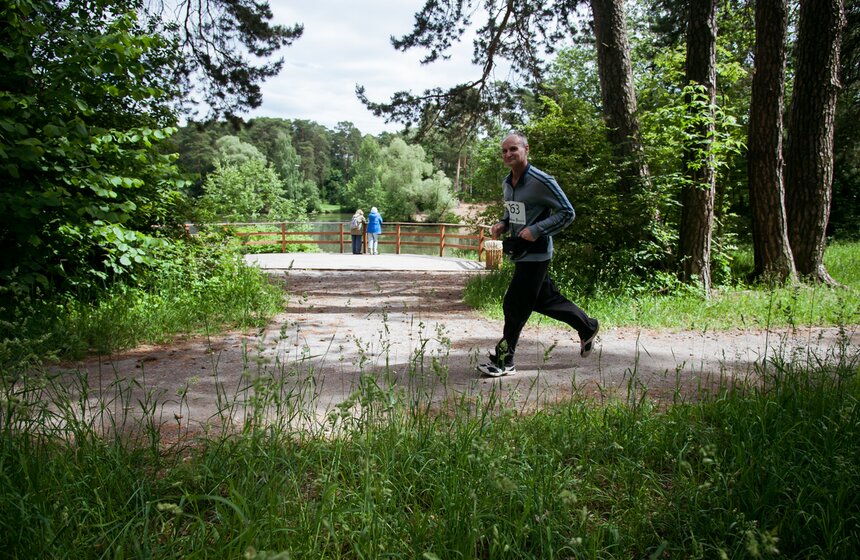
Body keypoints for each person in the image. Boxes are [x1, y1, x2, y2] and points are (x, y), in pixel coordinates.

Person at [477, 131, 599, 377]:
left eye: (513, 149)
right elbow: (513, 213)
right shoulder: (507, 182)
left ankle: (504, 360)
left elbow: (567, 212)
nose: (508, 154)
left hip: (537, 254)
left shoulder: (541, 181)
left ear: (526, 149)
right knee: (544, 299)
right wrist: (502, 224)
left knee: (514, 304)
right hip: (520, 252)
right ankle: (587, 326)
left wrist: (537, 230)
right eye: (504, 151)